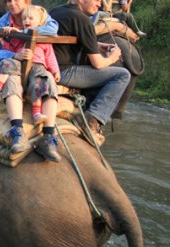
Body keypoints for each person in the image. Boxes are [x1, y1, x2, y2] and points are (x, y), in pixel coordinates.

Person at [0, 5, 62, 161]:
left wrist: (55, 70)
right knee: (12, 78)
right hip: (13, 65)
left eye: (17, 0)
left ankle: (48, 135)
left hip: (37, 67)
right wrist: (15, 54)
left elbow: (51, 39)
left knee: (46, 79)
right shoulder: (3, 24)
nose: (12, 3)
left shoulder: (41, 16)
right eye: (8, 1)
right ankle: (17, 130)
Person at [50, 0, 131, 146]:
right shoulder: (82, 19)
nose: (100, 5)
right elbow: (98, 64)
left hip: (48, 67)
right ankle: (92, 120)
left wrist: (96, 45)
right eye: (96, 0)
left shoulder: (57, 11)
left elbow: (68, 39)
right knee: (122, 75)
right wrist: (113, 57)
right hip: (64, 72)